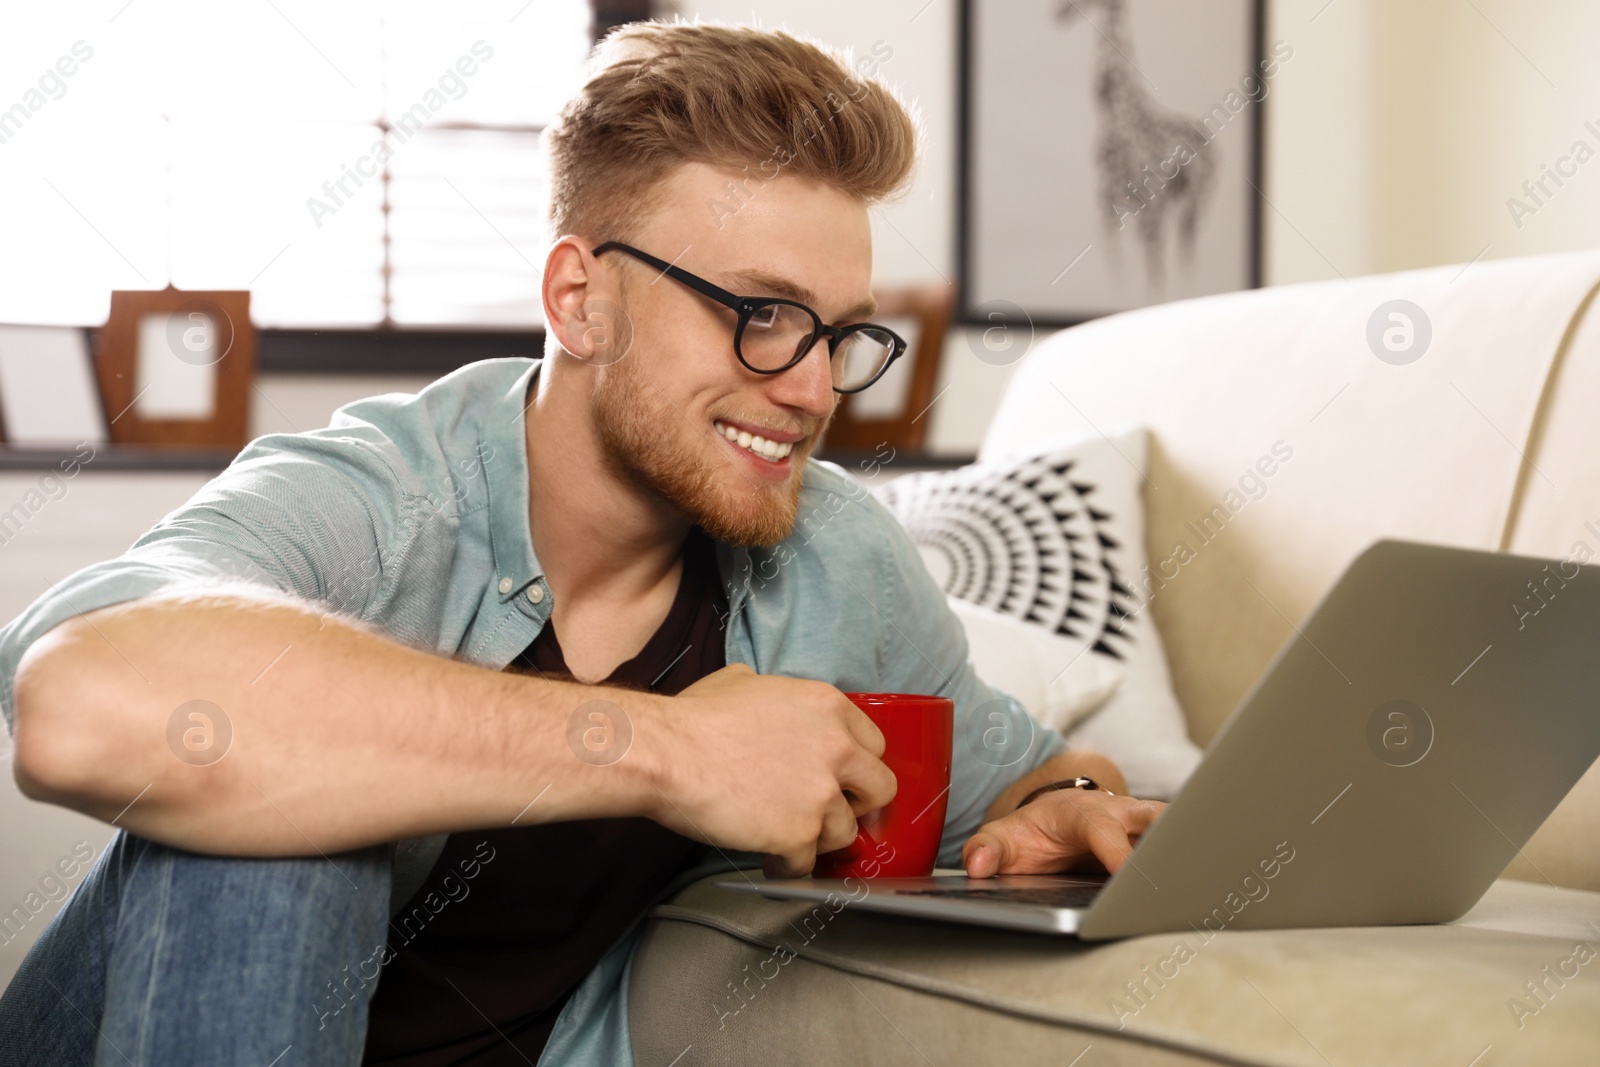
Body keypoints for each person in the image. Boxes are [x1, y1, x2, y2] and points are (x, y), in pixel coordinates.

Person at [0, 19, 1163, 1067]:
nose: (812, 389)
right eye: (760, 315)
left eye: (837, 333)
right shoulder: (385, 498)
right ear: (577, 298)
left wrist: (1061, 800)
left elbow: (1030, 775)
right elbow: (80, 706)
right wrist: (667, 751)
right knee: (269, 804)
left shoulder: (834, 562)